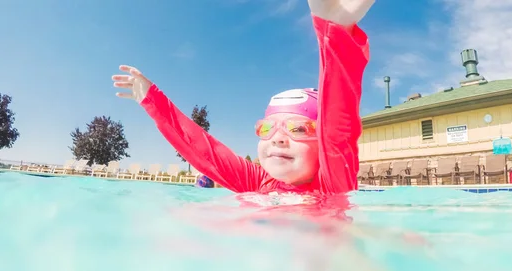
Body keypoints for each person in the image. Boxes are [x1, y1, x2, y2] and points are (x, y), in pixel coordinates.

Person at [112, 0, 375, 195]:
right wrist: (152, 100)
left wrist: (334, 31)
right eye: (268, 128)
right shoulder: (257, 182)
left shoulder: (332, 186)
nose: (278, 138)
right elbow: (204, 150)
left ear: (321, 143)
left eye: (299, 128)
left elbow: (337, 131)